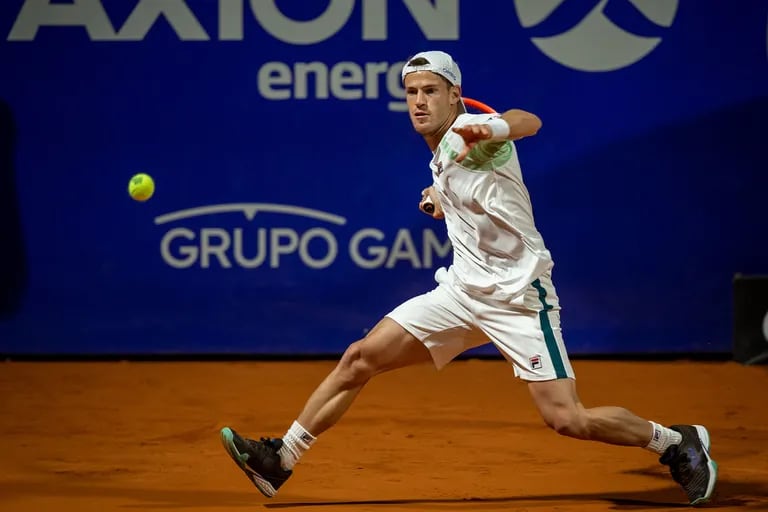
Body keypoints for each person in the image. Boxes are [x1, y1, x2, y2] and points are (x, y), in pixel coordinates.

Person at [219, 50, 718, 506]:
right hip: (461, 292)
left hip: (520, 297)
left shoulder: (472, 134)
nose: (419, 101)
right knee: (359, 357)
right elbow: (459, 186)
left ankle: (675, 442)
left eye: (430, 91)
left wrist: (491, 130)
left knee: (568, 419)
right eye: (411, 92)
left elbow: (530, 121)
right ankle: (281, 459)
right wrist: (438, 197)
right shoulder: (440, 149)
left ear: (455, 95)